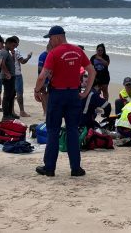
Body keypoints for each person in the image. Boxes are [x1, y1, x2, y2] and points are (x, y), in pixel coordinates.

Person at [34, 26, 95, 177]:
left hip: (57, 94)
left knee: (53, 131)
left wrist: (37, 90)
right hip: (74, 94)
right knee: (73, 130)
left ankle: (49, 167)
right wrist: (86, 92)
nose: (50, 41)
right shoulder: (78, 51)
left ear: (57, 37)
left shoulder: (54, 53)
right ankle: (76, 168)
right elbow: (92, 70)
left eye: (50, 38)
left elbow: (43, 75)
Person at [0, 36, 19, 120]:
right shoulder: (4, 52)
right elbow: (1, 63)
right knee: (7, 96)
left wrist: (13, 54)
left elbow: (11, 63)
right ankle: (5, 115)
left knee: (12, 95)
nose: (14, 48)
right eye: (13, 46)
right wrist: (7, 73)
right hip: (7, 77)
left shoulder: (8, 52)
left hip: (11, 76)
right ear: (7, 43)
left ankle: (10, 113)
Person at [14, 37, 33, 117]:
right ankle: (22, 111)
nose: (18, 44)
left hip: (9, 75)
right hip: (17, 74)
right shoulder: (16, 51)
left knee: (11, 93)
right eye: (18, 42)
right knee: (19, 93)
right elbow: (23, 61)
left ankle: (12, 111)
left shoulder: (5, 50)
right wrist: (28, 57)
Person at [37, 43, 52, 116]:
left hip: (50, 80)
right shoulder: (43, 55)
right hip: (44, 80)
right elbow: (40, 69)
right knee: (44, 96)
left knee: (49, 96)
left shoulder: (50, 55)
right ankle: (45, 112)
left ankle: (48, 111)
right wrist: (47, 75)